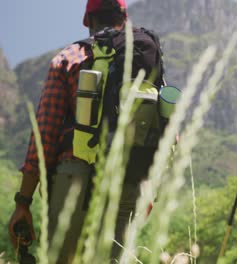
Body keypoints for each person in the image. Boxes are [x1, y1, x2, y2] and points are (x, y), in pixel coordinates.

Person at [8, 0, 165, 263]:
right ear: (124, 17)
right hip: (128, 181)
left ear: (88, 21)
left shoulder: (69, 57)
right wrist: (151, 187)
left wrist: (23, 202)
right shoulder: (146, 59)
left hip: (74, 179)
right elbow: (165, 129)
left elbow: (44, 136)